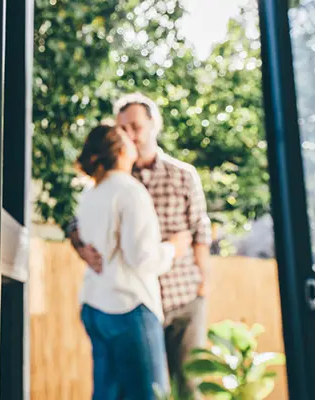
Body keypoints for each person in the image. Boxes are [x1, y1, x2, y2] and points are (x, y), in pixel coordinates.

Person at [68, 93, 212, 399]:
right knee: (148, 391)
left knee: (187, 387)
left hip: (181, 298)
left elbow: (201, 230)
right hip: (135, 303)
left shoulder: (182, 175)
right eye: (123, 129)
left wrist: (203, 286)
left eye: (135, 126)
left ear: (153, 126)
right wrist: (81, 246)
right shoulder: (111, 180)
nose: (130, 134)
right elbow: (77, 225)